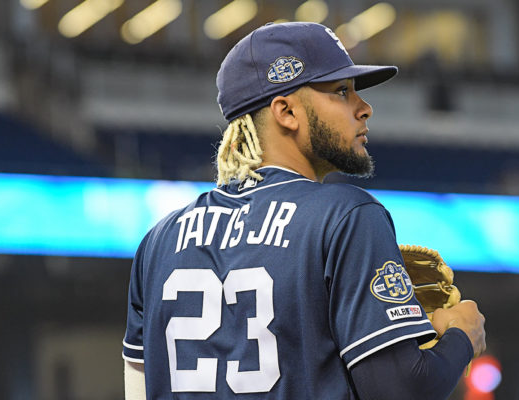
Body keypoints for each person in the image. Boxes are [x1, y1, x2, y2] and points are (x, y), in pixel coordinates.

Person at [122, 22, 486, 400]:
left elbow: (136, 391)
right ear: (286, 112)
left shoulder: (158, 240)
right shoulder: (346, 216)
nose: (364, 108)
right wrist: (461, 335)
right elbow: (399, 392)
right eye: (341, 91)